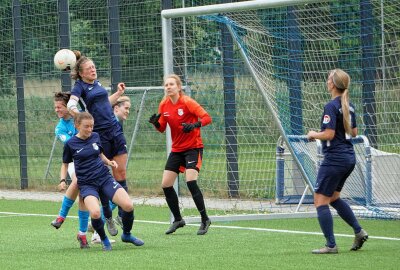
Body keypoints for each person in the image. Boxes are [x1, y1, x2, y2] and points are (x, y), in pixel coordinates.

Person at [61, 112, 144, 251]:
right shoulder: (70, 144)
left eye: (92, 126)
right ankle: (104, 240)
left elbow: (99, 153)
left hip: (104, 178)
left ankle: (127, 235)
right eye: (86, 126)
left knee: (128, 205)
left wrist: (109, 162)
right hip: (87, 184)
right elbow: (64, 164)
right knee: (95, 213)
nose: (90, 130)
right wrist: (63, 180)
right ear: (77, 125)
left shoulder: (95, 136)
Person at [307, 68, 368, 254]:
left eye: (328, 79)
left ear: (333, 83)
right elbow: (354, 132)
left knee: (320, 201)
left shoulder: (331, 106)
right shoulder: (349, 106)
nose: (326, 82)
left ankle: (331, 245)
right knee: (333, 197)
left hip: (335, 158)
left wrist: (312, 134)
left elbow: (329, 134)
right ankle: (359, 231)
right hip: (349, 157)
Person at [67, 51, 128, 232]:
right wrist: (79, 116)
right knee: (100, 176)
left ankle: (121, 214)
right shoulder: (79, 87)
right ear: (81, 73)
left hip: (114, 130)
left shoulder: (97, 83)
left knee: (121, 173)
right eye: (89, 68)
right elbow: (71, 105)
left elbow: (104, 104)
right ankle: (102, 218)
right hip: (99, 134)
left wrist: (118, 93)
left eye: (93, 67)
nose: (93, 70)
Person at [148, 74, 212, 235]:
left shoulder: (187, 102)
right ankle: (178, 219)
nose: (168, 87)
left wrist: (195, 124)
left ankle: (205, 219)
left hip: (193, 148)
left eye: (171, 84)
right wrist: (156, 123)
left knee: (190, 181)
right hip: (177, 150)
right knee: (166, 184)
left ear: (178, 87)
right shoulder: (164, 105)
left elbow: (207, 118)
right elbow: (162, 128)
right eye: (166, 85)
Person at [50, 91, 90, 249]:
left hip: (92, 161)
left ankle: (83, 233)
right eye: (55, 107)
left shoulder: (81, 119)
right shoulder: (60, 128)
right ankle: (63, 218)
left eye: (59, 107)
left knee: (85, 196)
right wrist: (62, 179)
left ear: (68, 107)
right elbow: (73, 145)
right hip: (76, 162)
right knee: (80, 184)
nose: (57, 110)